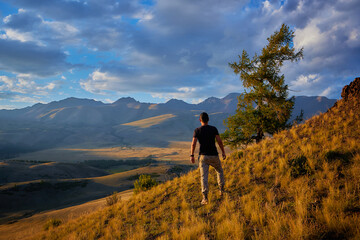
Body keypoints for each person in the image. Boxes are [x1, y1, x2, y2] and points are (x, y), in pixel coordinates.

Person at [190, 112, 226, 205]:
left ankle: (205, 198)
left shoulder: (197, 130)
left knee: (204, 177)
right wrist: (223, 152)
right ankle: (221, 190)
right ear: (208, 119)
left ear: (200, 120)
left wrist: (192, 155)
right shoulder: (213, 129)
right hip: (214, 155)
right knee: (219, 171)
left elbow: (193, 143)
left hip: (203, 156)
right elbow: (219, 141)